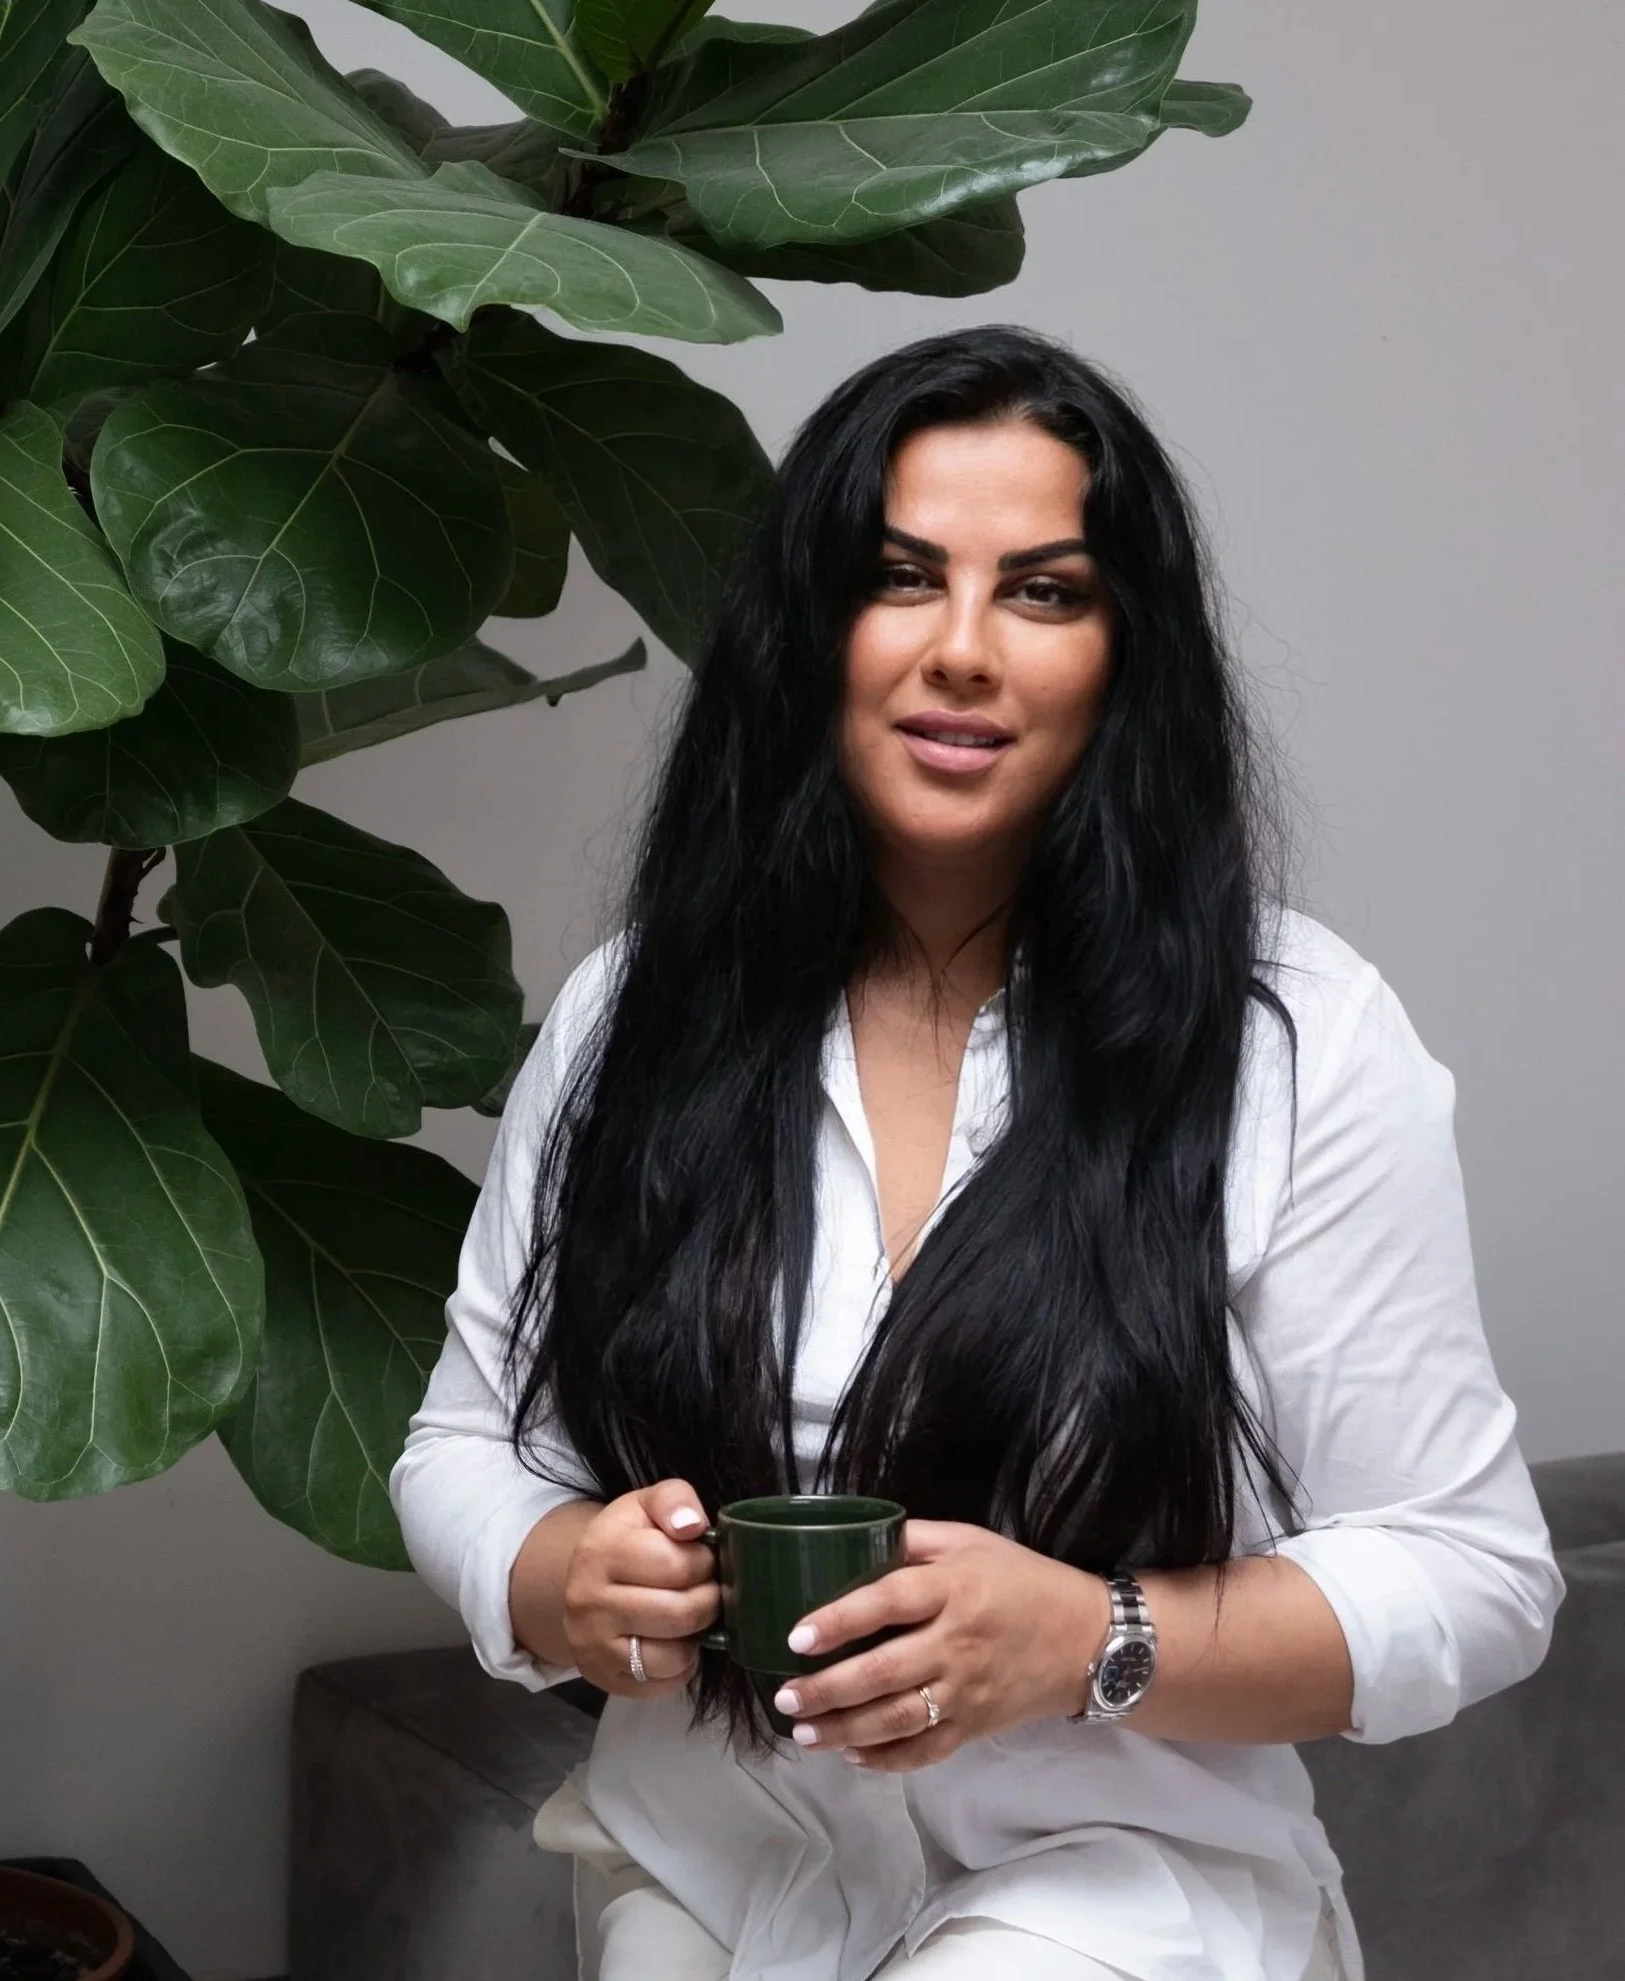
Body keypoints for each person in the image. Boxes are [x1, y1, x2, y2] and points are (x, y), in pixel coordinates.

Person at [388, 327, 1562, 1981]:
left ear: (1123, 653)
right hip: (708, 1875)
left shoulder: (1297, 1040)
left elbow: (1475, 1576)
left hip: (1119, 1902)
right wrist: (548, 1572)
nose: (962, 652)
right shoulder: (637, 1011)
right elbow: (463, 1444)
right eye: (900, 578)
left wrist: (1096, 1640)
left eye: (1044, 592)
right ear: (812, 632)